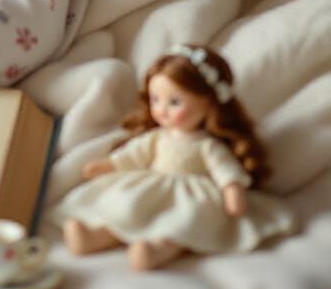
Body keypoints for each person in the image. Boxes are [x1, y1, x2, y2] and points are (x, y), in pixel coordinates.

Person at [54, 44, 296, 270]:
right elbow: (136, 153)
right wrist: (109, 164)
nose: (161, 109)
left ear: (209, 103)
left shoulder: (207, 145)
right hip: (153, 183)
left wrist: (232, 190)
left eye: (175, 102)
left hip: (191, 194)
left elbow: (224, 169)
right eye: (155, 99)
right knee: (126, 208)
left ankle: (158, 249)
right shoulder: (158, 137)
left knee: (184, 222)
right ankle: (97, 235)